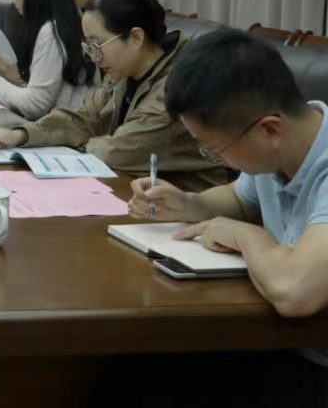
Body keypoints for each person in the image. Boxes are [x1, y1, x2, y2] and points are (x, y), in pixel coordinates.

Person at [116, 30, 328, 405]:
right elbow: (240, 199)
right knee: (132, 364)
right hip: (279, 341)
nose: (214, 158)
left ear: (270, 130)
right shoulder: (282, 148)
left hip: (315, 362)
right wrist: (187, 204)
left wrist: (246, 236)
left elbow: (295, 292)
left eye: (214, 150)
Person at [0, 0, 227, 190]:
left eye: (97, 45)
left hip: (188, 211)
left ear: (136, 38)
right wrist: (22, 134)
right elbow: (85, 117)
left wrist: (74, 141)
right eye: (88, 46)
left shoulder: (181, 85)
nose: (93, 57)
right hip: (135, 192)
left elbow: (117, 151)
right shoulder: (126, 72)